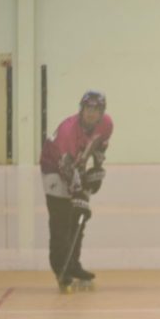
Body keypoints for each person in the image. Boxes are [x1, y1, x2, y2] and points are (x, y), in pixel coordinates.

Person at [39, 91, 113, 294]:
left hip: (75, 165)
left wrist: (97, 168)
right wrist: (79, 193)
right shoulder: (68, 131)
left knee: (78, 220)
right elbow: (66, 167)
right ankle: (61, 269)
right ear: (81, 109)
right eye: (88, 108)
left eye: (96, 109)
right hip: (55, 168)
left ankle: (73, 264)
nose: (91, 113)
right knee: (61, 220)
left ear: (102, 112)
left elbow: (100, 146)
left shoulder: (106, 123)